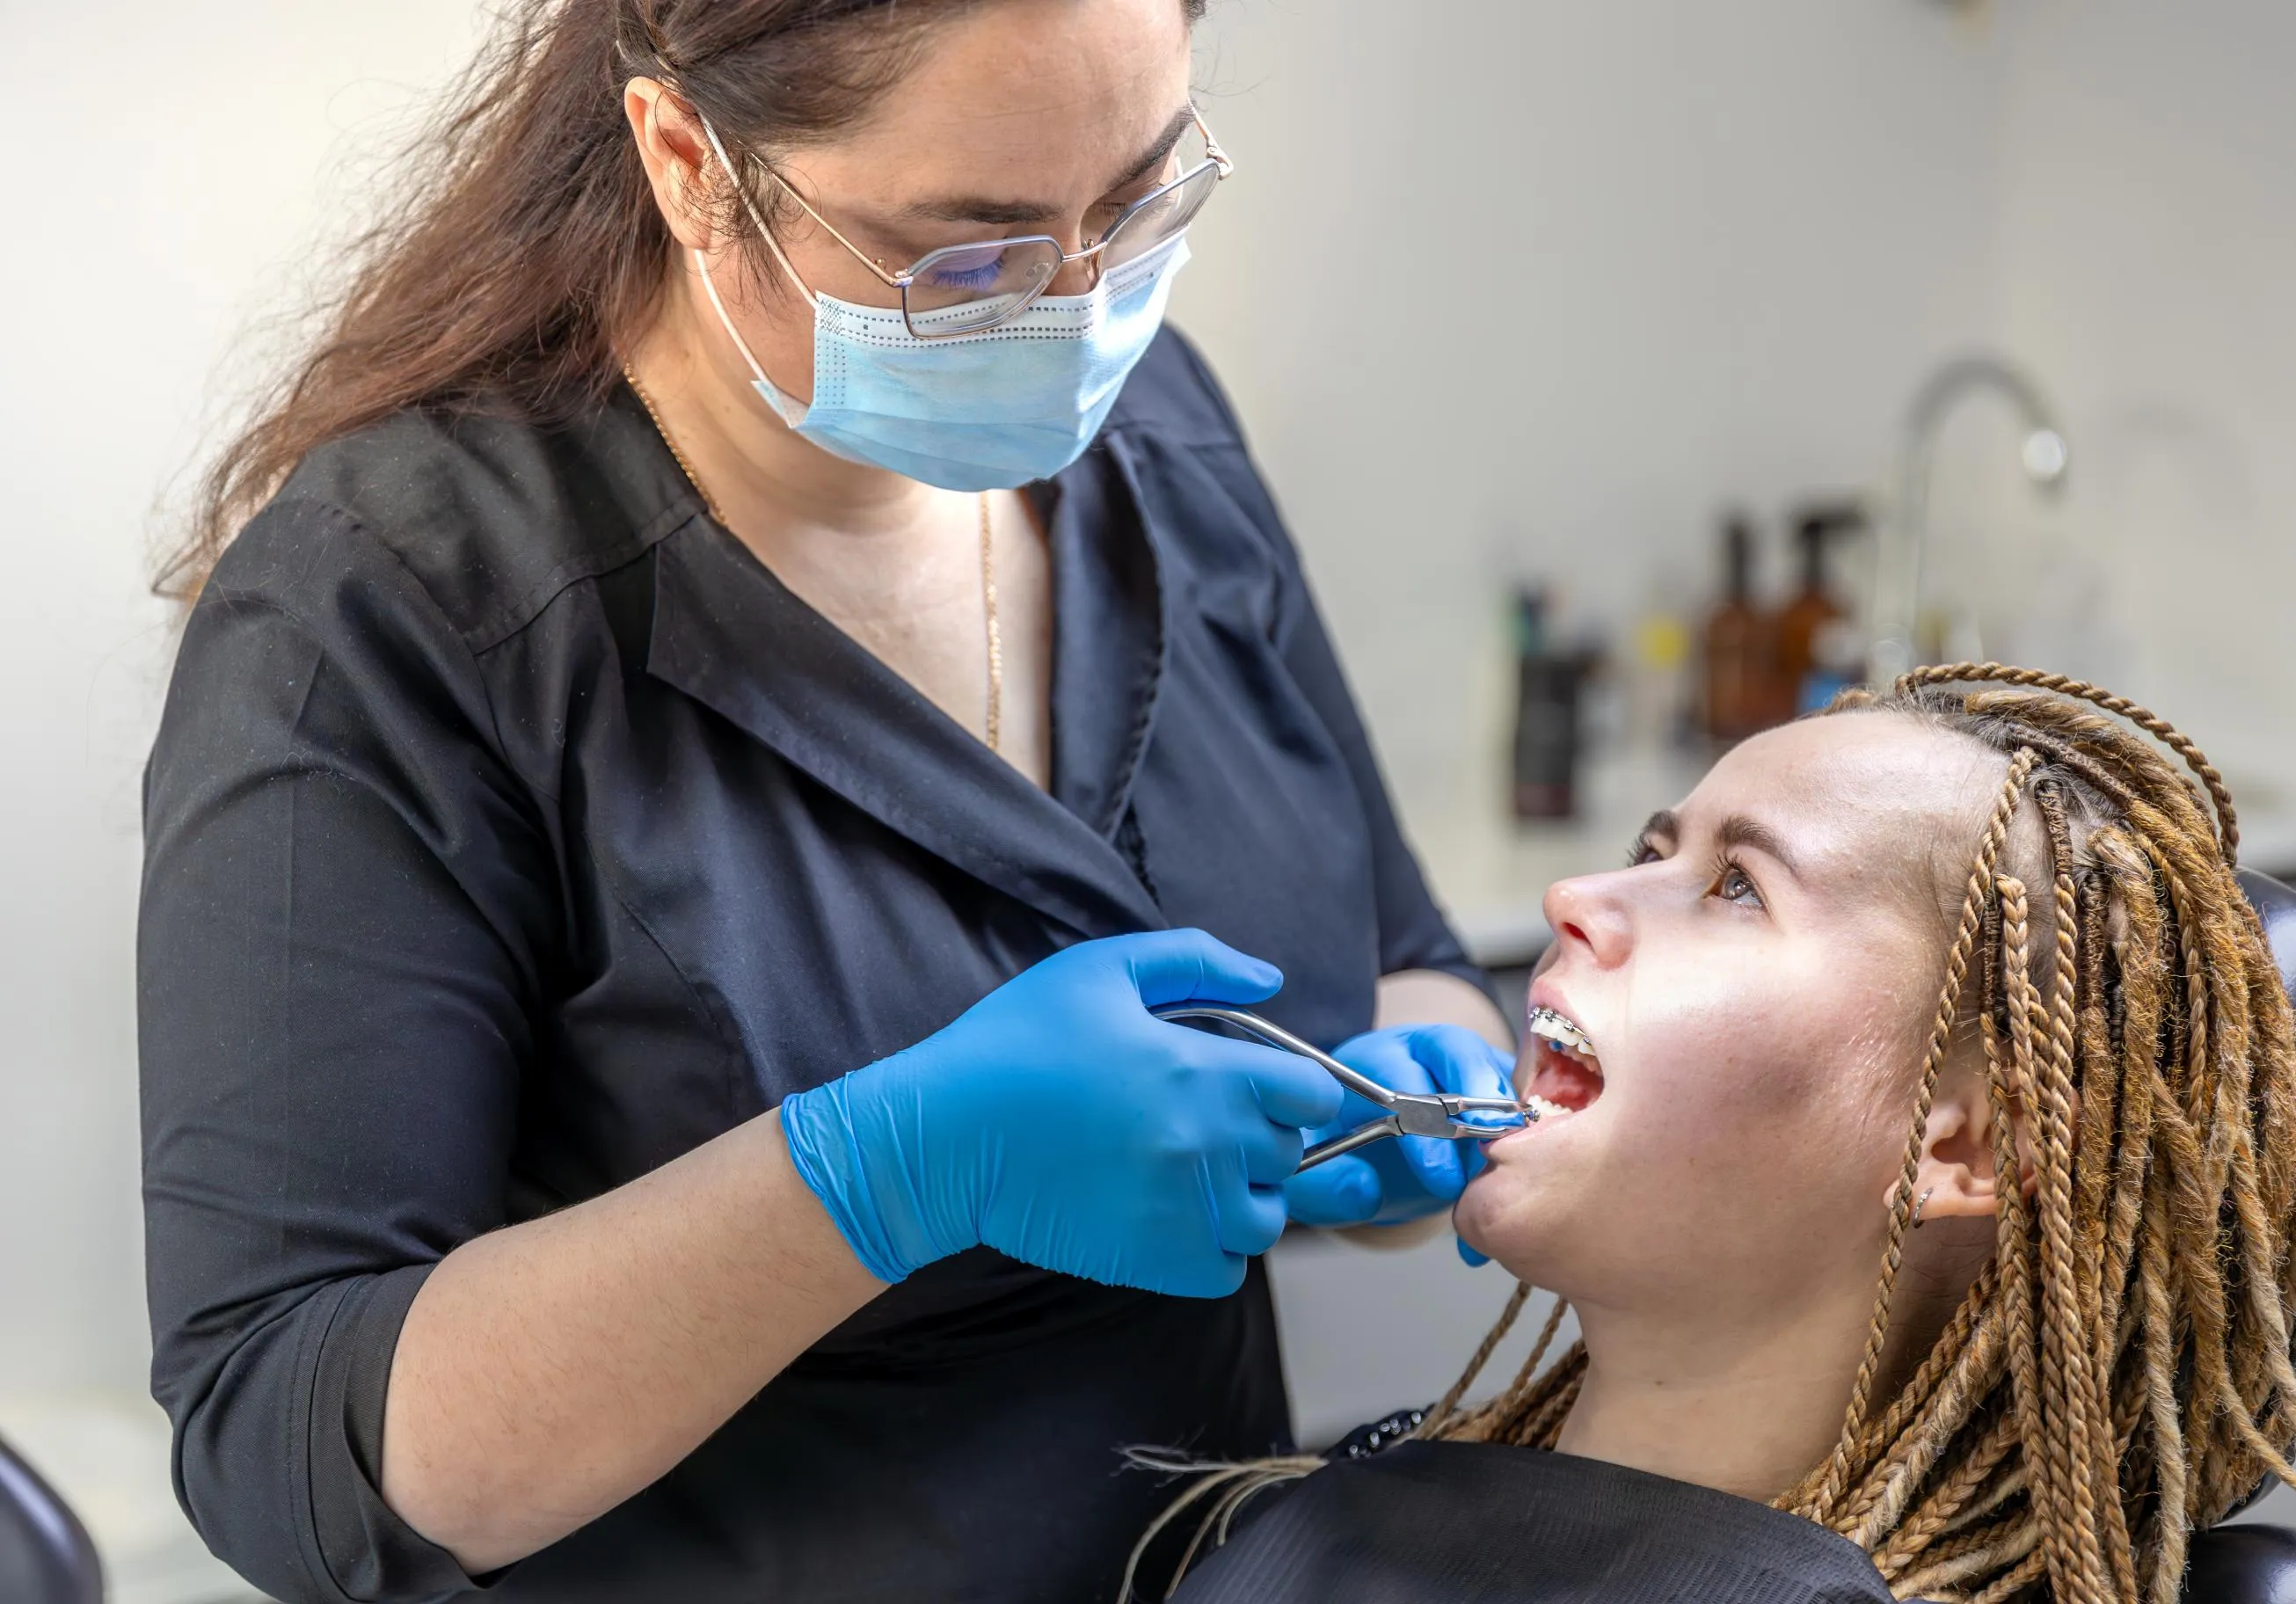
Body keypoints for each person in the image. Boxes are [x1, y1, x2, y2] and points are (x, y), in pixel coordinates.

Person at [135, 3, 1513, 1600]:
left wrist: (1417, 1094)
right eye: (971, 255)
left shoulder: (1168, 431)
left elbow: (1399, 947)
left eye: (1137, 204)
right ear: (687, 161)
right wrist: (879, 1174)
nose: (1077, 307)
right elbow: (289, 1441)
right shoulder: (392, 608)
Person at [1146, 666, 2296, 1604]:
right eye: (1651, 848)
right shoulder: (1375, 1494)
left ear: (1960, 1143)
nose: (1574, 899)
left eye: (1738, 886)